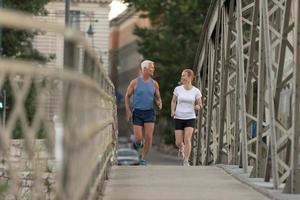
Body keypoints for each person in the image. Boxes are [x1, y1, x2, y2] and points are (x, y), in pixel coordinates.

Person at [125, 60, 162, 165]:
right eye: (152, 68)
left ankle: (143, 159)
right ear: (145, 69)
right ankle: (138, 145)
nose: (153, 69)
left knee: (149, 137)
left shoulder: (154, 84)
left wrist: (159, 103)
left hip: (149, 112)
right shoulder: (135, 82)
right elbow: (127, 96)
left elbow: (158, 98)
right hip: (137, 112)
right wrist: (128, 110)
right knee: (138, 138)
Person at [171, 69, 203, 166]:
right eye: (182, 75)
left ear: (190, 77)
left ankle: (186, 160)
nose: (182, 77)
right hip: (179, 116)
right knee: (178, 142)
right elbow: (173, 101)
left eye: (184, 75)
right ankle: (181, 147)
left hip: (190, 117)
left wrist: (197, 107)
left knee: (187, 139)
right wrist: (172, 111)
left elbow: (200, 104)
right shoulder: (178, 89)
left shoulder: (196, 91)